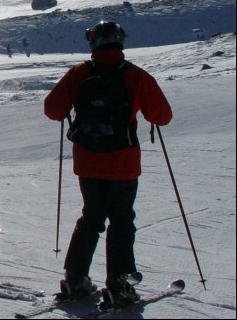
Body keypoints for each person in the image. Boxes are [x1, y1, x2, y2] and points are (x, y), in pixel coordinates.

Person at [44, 21, 172, 306]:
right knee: (122, 220)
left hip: (87, 162)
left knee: (91, 217)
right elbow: (162, 116)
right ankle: (119, 283)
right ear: (120, 43)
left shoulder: (80, 73)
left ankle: (75, 279)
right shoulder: (135, 76)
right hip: (123, 163)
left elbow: (52, 109)